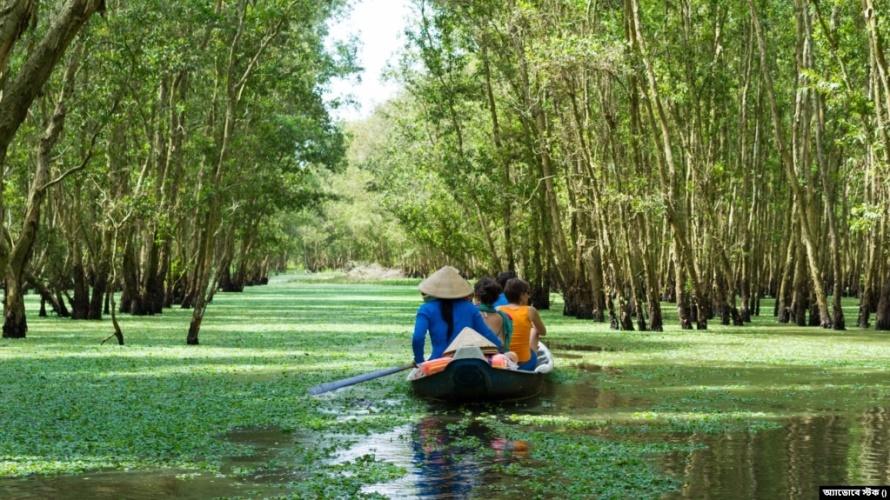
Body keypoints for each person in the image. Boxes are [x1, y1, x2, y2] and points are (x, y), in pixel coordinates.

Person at [412, 266, 503, 365]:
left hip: (438, 362)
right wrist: (502, 350)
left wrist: (419, 361)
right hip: (468, 362)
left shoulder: (426, 309)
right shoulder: (470, 308)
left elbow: (418, 338)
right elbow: (487, 334)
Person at [497, 278, 547, 371]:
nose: (528, 296)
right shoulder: (530, 310)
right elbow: (543, 332)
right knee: (535, 330)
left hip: (503, 362)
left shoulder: (498, 309)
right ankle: (531, 358)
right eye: (527, 293)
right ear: (522, 295)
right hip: (525, 364)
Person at [473, 277, 513, 348]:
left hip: (478, 356)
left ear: (477, 296)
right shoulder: (503, 317)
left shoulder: (473, 315)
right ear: (496, 297)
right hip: (499, 356)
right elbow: (503, 343)